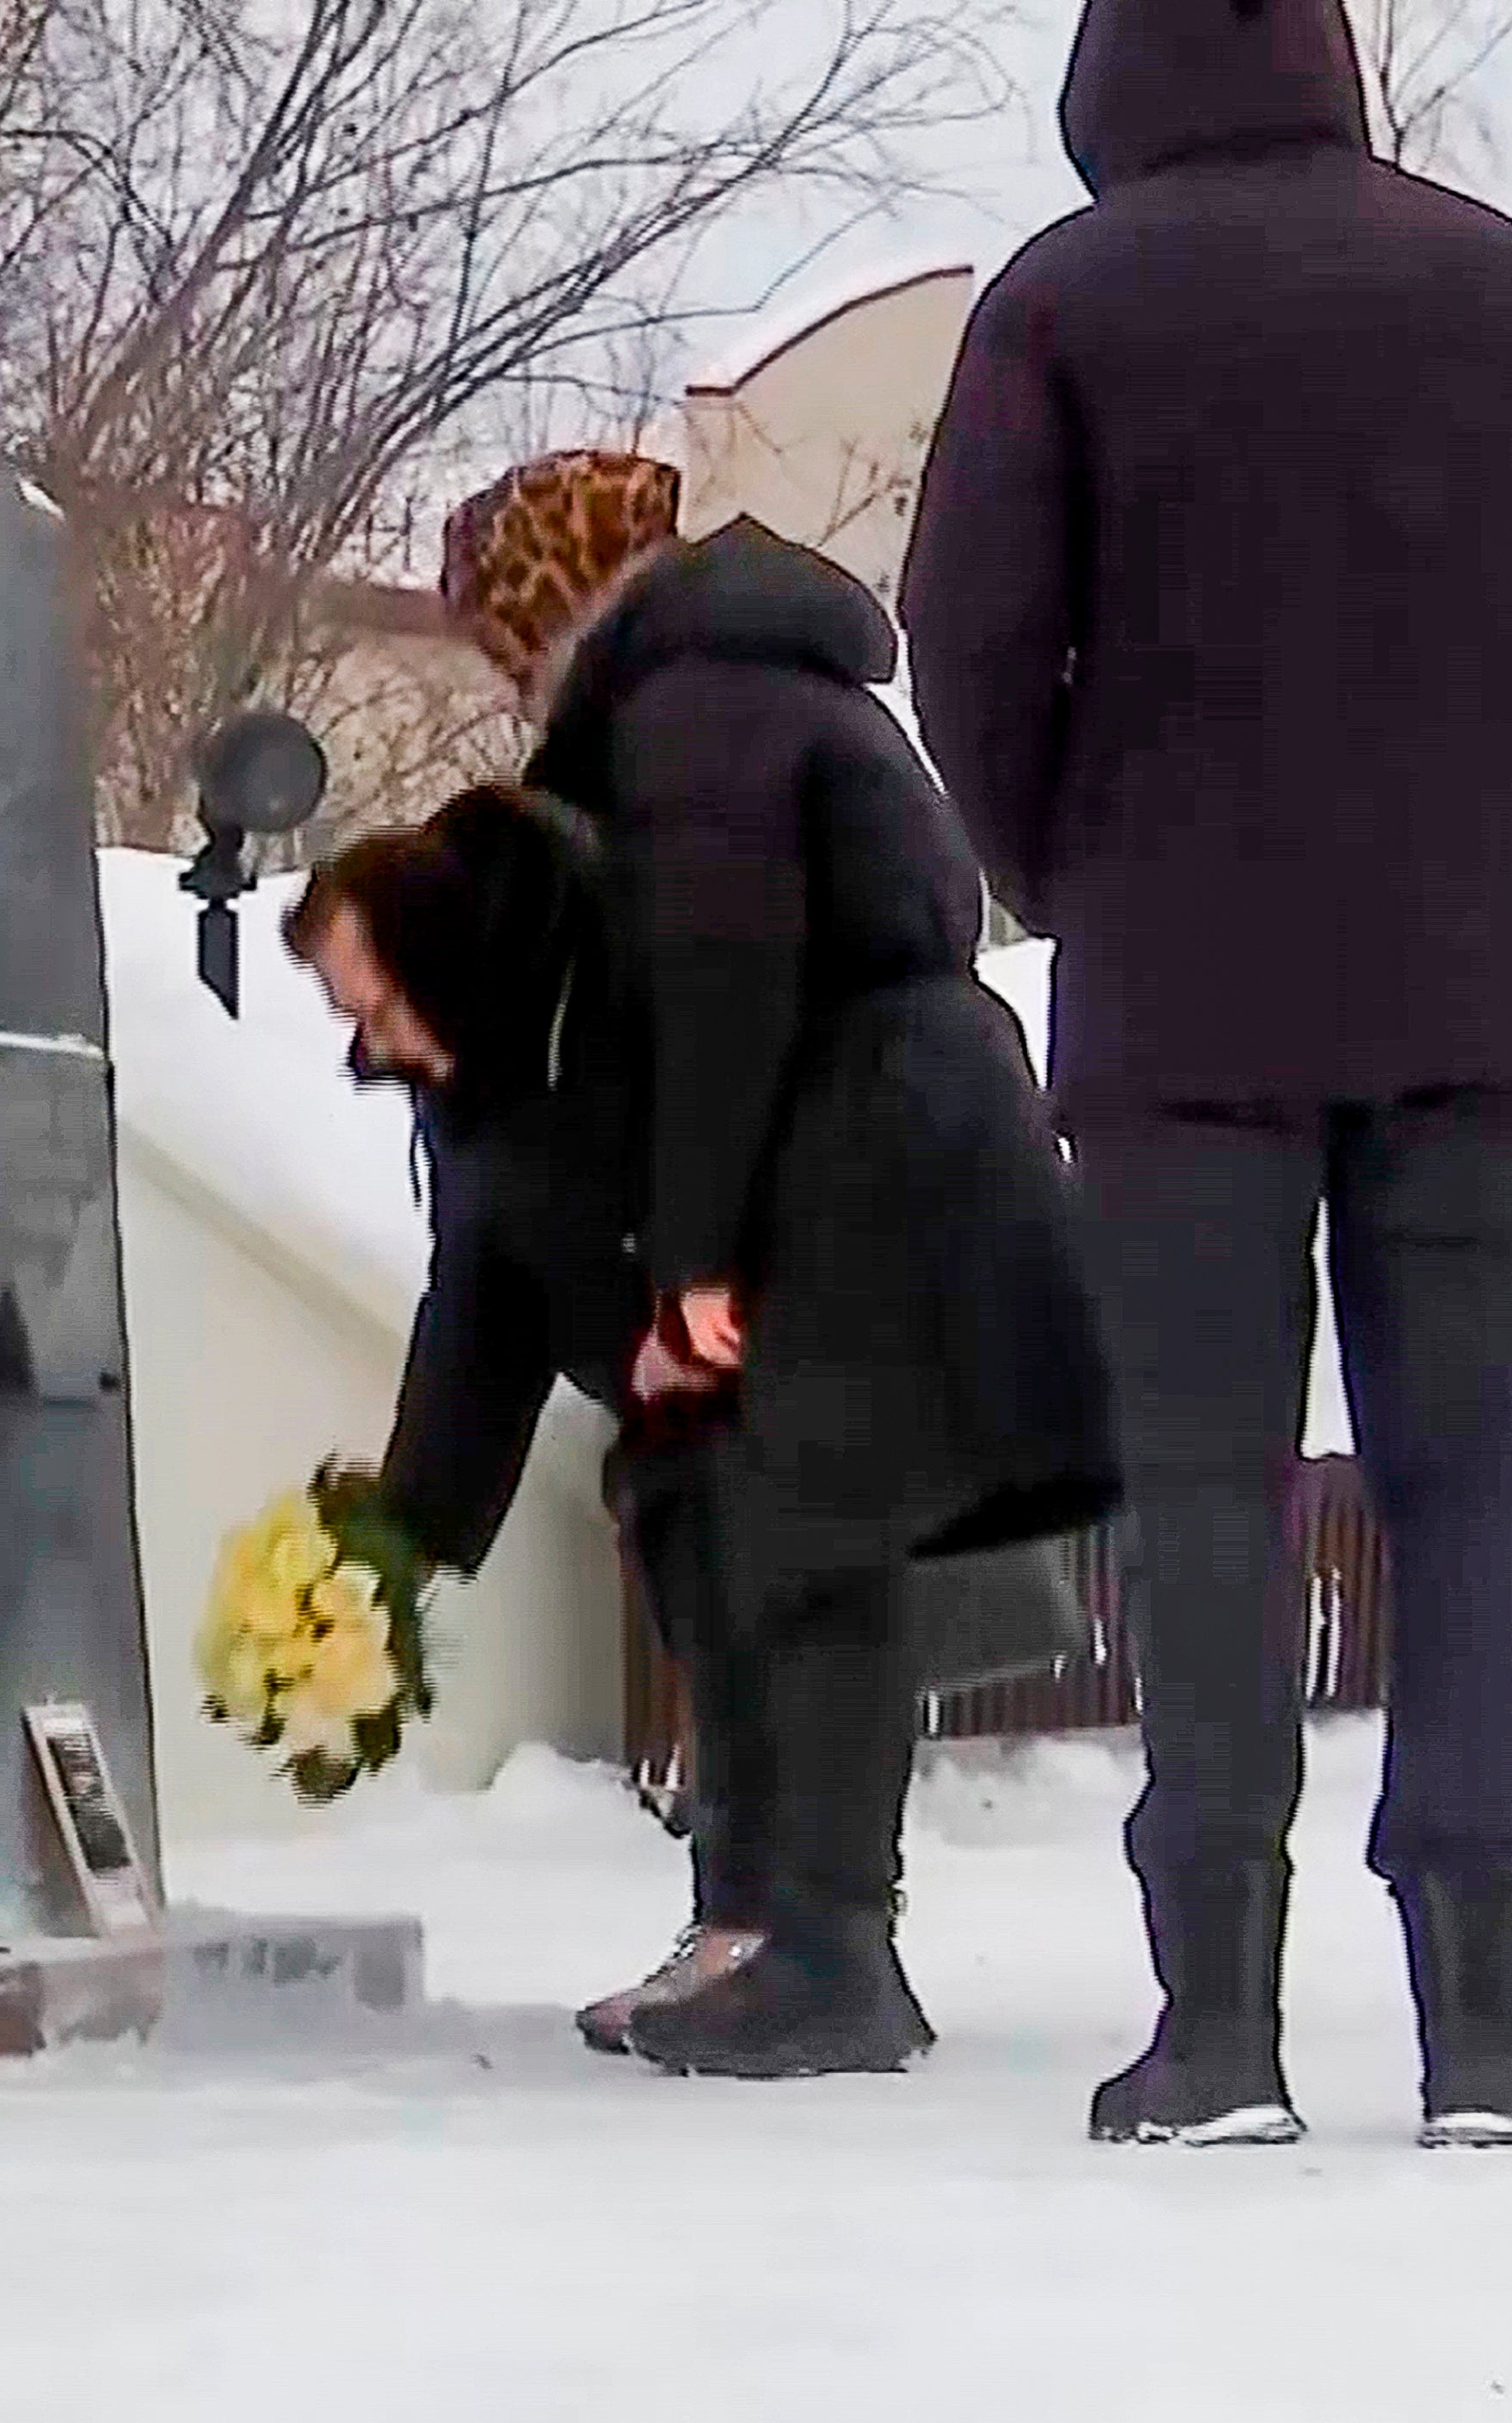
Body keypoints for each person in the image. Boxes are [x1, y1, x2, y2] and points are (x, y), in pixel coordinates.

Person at [896, 0, 1512, 2148]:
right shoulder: (1507, 286)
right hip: (1467, 1002)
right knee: (1462, 1478)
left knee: (1201, 1492)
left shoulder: (1057, 306)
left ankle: (1215, 2028)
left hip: (1178, 1010)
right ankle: (1489, 2024)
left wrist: (1062, 861)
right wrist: (1510, 808)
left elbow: (967, 643)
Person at [290, 460, 1122, 2079]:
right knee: (697, 1491)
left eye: (502, 638)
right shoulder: (669, 740)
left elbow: (727, 985)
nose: (506, 677)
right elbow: (494, 1290)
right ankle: (756, 1921)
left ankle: (822, 1947)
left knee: (803, 1521)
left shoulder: (703, 709)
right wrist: (390, 1552)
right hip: (842, 1152)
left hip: (880, 1160)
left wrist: (693, 1266)